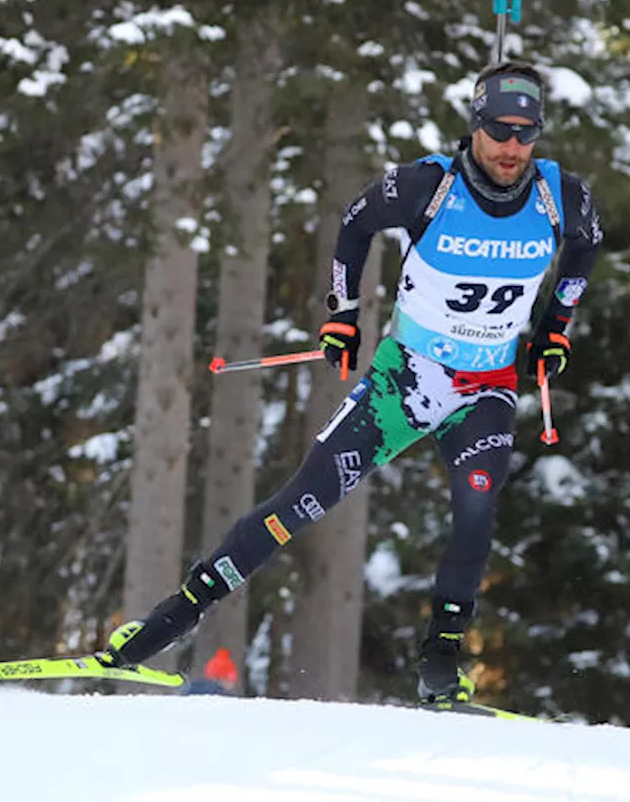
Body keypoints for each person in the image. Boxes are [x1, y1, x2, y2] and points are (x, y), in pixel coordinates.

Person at [98, 60, 603, 704]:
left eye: (526, 133)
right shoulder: (428, 186)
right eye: (500, 130)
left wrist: (555, 327)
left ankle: (441, 663)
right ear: (475, 126)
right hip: (406, 380)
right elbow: (356, 221)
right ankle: (166, 624)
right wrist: (342, 315)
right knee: (301, 501)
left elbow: (586, 245)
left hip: (487, 387)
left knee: (476, 510)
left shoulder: (561, 196)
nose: (512, 147)